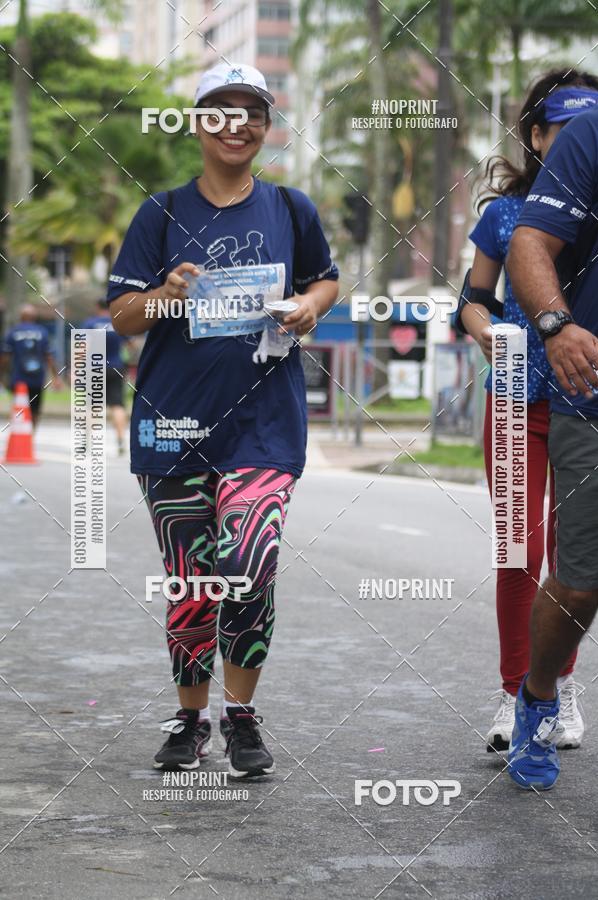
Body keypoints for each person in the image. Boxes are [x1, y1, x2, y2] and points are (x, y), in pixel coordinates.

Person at [107, 63, 339, 777]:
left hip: (264, 427)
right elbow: (121, 317)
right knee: (193, 584)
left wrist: (311, 307)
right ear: (198, 123)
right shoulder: (163, 212)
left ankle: (240, 715)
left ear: (266, 127)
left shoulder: (292, 209)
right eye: (220, 110)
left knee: (249, 565)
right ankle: (189, 719)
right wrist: (166, 293)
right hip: (172, 430)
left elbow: (325, 278)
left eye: (252, 112)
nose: (236, 123)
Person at [457, 70, 598, 753]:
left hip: (585, 403)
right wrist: (482, 327)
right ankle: (515, 694)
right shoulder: (503, 216)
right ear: (536, 137)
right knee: (519, 553)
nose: (576, 143)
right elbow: (472, 299)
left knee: (575, 566)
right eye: (562, 131)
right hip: (516, 403)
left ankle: (559, 689)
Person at [506, 90, 598, 790]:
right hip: (591, 388)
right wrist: (555, 325)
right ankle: (538, 696)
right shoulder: (591, 134)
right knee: (581, 579)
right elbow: (529, 242)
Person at [1, 304, 61, 428]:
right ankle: (30, 435)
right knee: (35, 409)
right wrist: (56, 377)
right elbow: (49, 357)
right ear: (34, 317)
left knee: (19, 405)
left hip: (18, 377)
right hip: (37, 378)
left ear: (21, 317)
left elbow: (5, 357)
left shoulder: (13, 332)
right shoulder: (42, 332)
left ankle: (18, 432)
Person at [81, 299, 129, 455]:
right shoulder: (117, 323)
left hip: (95, 367)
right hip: (116, 367)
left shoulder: (90, 324)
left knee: (93, 406)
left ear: (97, 307)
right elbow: (129, 344)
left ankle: (87, 441)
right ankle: (121, 440)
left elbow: (84, 347)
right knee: (117, 405)